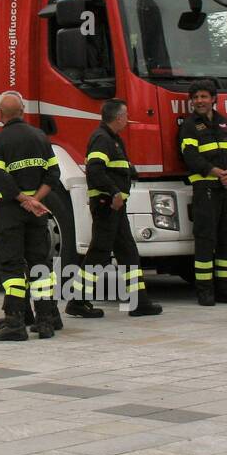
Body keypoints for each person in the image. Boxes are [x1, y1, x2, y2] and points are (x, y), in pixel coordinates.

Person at [0, 91, 62, 341]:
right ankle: (46, 321)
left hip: (10, 213)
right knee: (40, 265)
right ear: (23, 111)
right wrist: (35, 200)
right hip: (36, 214)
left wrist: (22, 199)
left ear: (0, 114)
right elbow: (54, 174)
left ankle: (15, 322)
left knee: (12, 266)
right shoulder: (40, 137)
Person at [77, 99, 163, 317]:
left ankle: (139, 302)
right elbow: (95, 171)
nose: (128, 118)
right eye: (125, 115)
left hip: (115, 206)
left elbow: (113, 167)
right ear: (117, 117)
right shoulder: (102, 139)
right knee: (99, 253)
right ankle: (77, 301)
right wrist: (114, 192)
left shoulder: (112, 140)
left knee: (128, 252)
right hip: (107, 205)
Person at [177, 80, 227, 306]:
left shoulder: (226, 124)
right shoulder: (189, 126)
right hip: (205, 189)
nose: (199, 101)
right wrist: (219, 173)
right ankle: (205, 291)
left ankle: (226, 288)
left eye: (204, 97)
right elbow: (191, 157)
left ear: (213, 99)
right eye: (196, 98)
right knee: (206, 240)